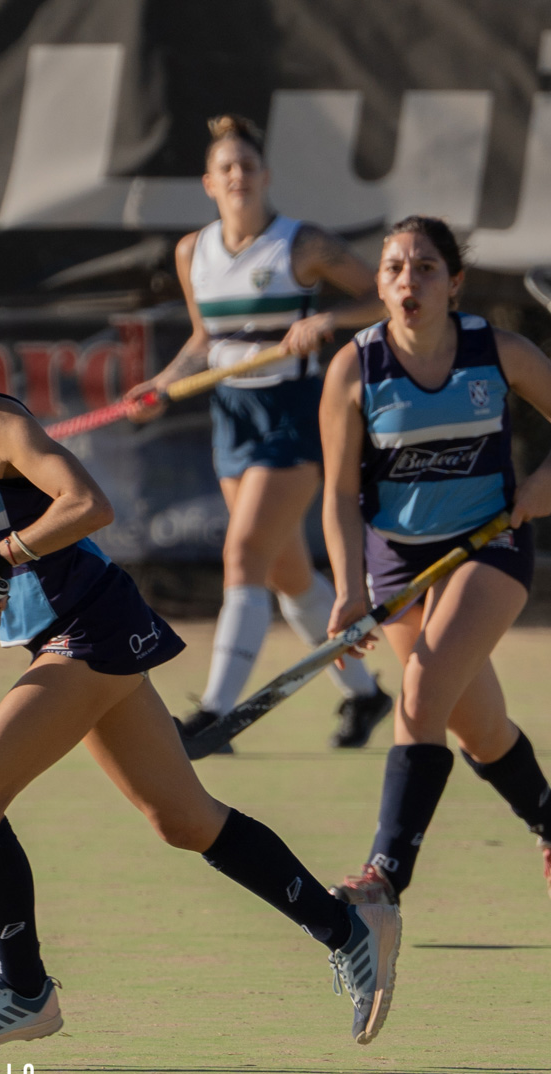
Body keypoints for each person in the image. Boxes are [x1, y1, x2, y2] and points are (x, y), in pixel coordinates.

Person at [0, 238, 401, 1046]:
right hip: (59, 636)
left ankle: (24, 989)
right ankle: (349, 929)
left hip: (88, 626)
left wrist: (7, 553)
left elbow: (87, 503)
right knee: (183, 817)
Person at [319, 216, 551, 915]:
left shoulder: (494, 351)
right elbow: (337, 493)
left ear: (454, 283)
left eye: (424, 268)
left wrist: (549, 479)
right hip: (397, 564)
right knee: (478, 727)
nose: (407, 280)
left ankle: (384, 877)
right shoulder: (355, 367)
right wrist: (350, 589)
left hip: (489, 542)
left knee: (420, 691)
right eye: (393, 268)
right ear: (380, 284)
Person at [128, 114, 392, 751]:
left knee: (242, 553)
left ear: (266, 176)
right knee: (286, 574)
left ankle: (217, 714)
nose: (238, 177)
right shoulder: (194, 252)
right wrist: (161, 384)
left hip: (294, 413)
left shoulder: (304, 246)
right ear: (209, 183)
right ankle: (365, 695)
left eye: (248, 167)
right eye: (226, 169)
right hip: (232, 418)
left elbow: (383, 298)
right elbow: (203, 340)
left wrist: (326, 319)